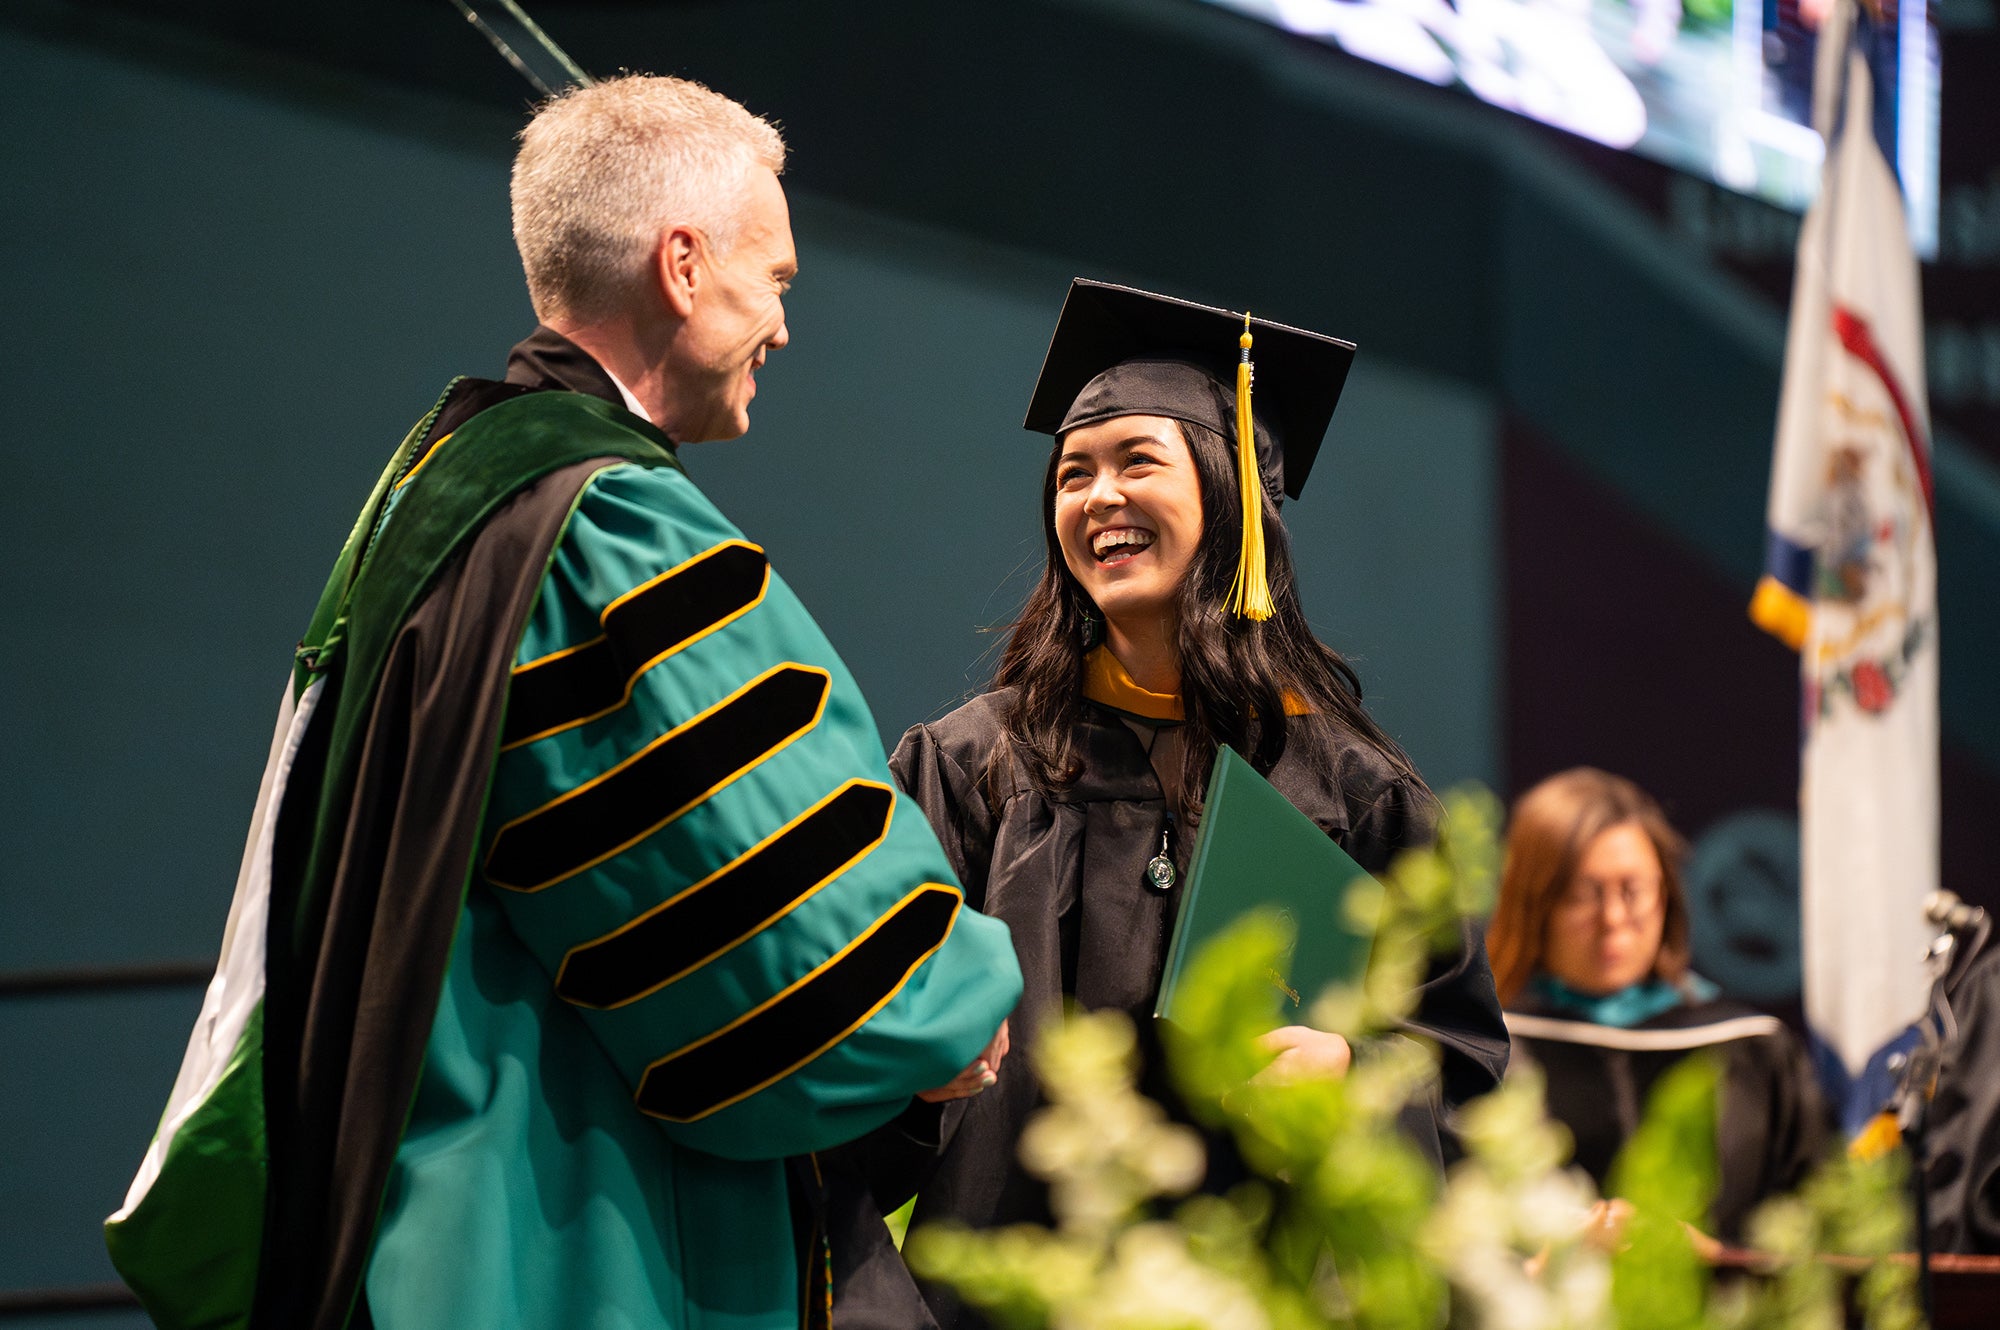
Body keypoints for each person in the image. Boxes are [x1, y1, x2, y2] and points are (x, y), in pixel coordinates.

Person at [103, 75, 1022, 1330]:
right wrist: (946, 1005)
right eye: (777, 281)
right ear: (682, 267)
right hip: (557, 1216)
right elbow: (754, 883)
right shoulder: (603, 520)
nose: (784, 328)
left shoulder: (446, 483)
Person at [830, 280, 1510, 1329]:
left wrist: (1356, 1077)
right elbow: (851, 1064)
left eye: (1133, 462)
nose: (1095, 498)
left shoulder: (1351, 795)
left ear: (1231, 492)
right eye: (1071, 475)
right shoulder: (970, 768)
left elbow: (1466, 1084)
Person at [1488, 767, 1827, 1241]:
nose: (1613, 918)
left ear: (1666, 893)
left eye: (1633, 890)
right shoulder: (1489, 1051)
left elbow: (1812, 1234)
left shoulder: (1752, 1050)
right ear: (1534, 903)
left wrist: (1710, 1263)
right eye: (1582, 894)